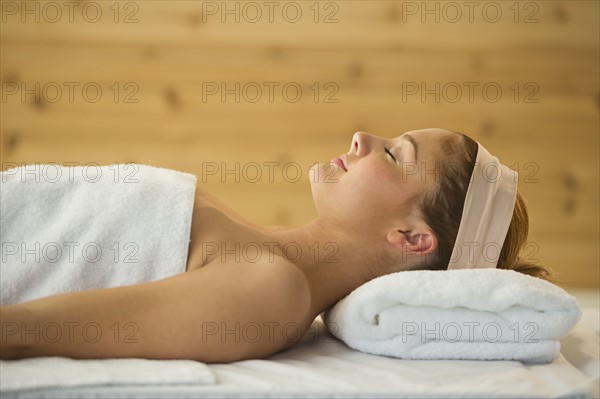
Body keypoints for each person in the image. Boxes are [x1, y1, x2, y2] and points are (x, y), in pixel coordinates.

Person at [0, 128, 553, 362]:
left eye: (392, 154)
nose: (362, 138)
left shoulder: (272, 292)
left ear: (410, 239)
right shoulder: (257, 248)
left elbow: (26, 333)